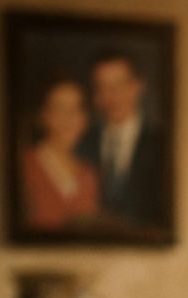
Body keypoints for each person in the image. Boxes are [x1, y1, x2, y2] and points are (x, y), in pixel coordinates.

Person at [76, 49, 167, 226]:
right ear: (95, 96)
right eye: (103, 87)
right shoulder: (82, 143)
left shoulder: (161, 144)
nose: (112, 96)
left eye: (119, 84)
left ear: (138, 87)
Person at [20, 74, 100, 230]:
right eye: (60, 109)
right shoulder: (26, 165)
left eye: (76, 109)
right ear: (43, 115)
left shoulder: (88, 175)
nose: (69, 118)